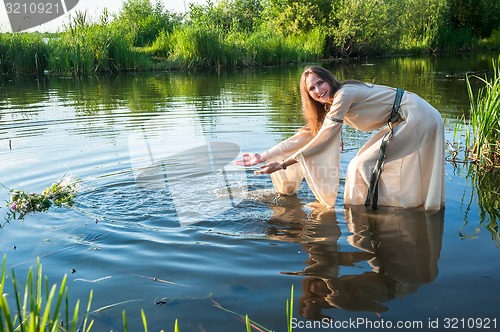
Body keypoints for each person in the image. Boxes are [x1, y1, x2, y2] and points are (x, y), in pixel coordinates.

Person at [234, 66, 445, 210]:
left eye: (321, 82)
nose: (318, 90)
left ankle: (363, 213)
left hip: (418, 116)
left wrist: (283, 164)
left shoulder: (345, 93)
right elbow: (308, 135)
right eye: (312, 88)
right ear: (308, 94)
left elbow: (325, 138)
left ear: (329, 79)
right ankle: (374, 209)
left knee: (359, 164)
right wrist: (263, 156)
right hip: (405, 119)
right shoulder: (332, 104)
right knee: (362, 165)